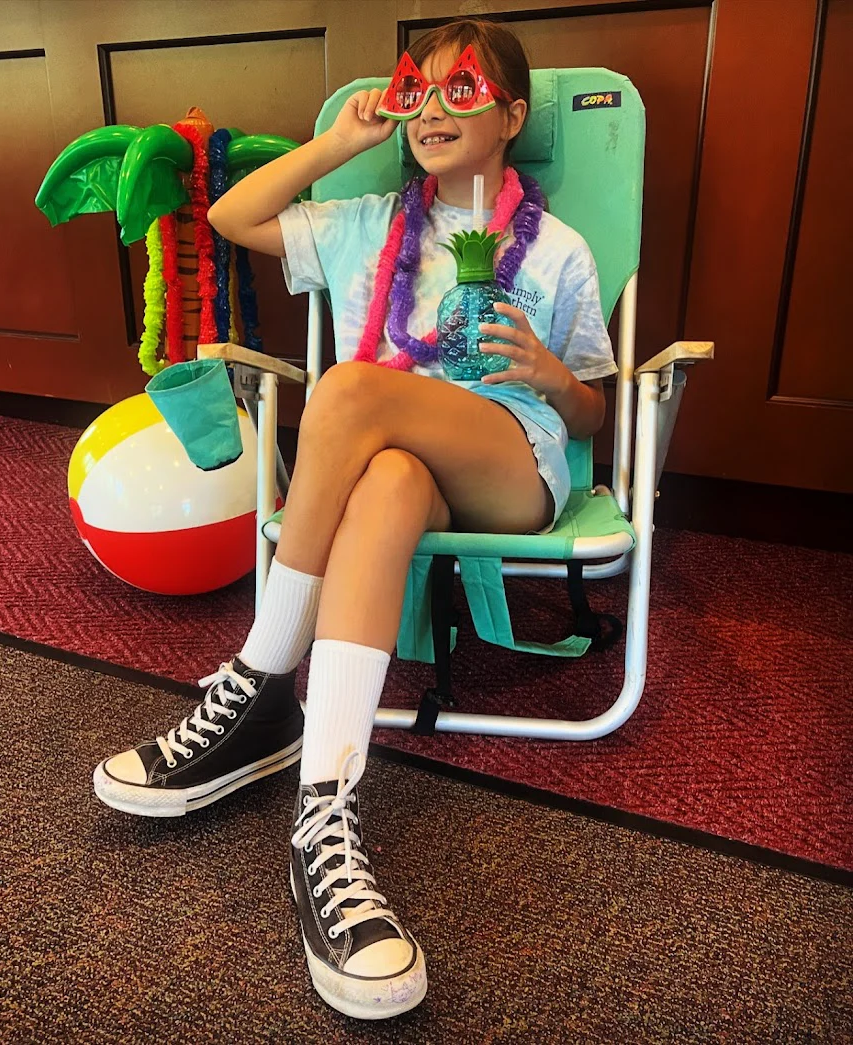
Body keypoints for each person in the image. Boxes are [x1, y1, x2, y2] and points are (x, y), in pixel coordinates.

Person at [93, 17, 617, 1021]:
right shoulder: (368, 221)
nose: (434, 109)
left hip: (513, 464)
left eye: (464, 90)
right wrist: (340, 141)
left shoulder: (555, 250)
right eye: (419, 91)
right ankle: (323, 813)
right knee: (385, 481)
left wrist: (553, 376)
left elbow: (592, 411)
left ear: (512, 115)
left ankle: (259, 678)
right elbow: (234, 217)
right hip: (396, 465)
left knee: (343, 390)